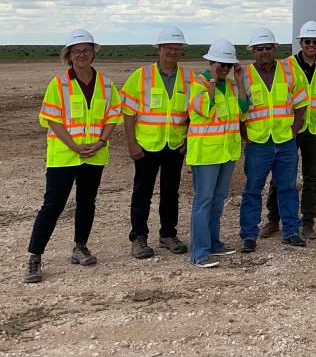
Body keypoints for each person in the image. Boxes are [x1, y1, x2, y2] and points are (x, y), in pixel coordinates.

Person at [25, 29, 122, 283]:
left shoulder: (107, 83)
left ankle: (80, 247)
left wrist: (101, 141)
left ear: (93, 53)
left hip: (95, 154)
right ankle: (35, 257)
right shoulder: (59, 84)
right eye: (76, 51)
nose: (82, 55)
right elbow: (51, 119)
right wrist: (74, 146)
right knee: (53, 205)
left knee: (87, 202)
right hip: (64, 155)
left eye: (86, 50)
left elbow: (113, 116)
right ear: (68, 55)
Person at [120, 24, 194, 259]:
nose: (172, 52)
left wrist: (189, 139)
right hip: (146, 146)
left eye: (177, 48)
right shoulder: (141, 76)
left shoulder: (189, 78)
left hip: (175, 145)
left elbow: (196, 112)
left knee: (171, 192)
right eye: (168, 48)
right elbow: (128, 112)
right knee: (142, 192)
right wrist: (132, 143)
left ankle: (168, 234)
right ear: (159, 49)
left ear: (182, 51)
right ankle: (139, 237)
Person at [238, 27, 307, 253]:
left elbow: (300, 103)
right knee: (252, 190)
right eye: (259, 49)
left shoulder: (288, 71)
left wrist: (294, 130)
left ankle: (291, 232)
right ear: (253, 51)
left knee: (287, 188)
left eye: (268, 48)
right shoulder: (244, 76)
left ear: (274, 49)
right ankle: (249, 235)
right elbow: (239, 107)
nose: (264, 52)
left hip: (285, 141)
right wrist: (245, 134)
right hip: (258, 144)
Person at [261, 19, 316, 241]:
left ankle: (307, 222)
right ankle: (273, 219)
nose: (311, 45)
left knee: (311, 177)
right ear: (300, 42)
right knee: (281, 176)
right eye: (307, 41)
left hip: (315, 128)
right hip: (289, 129)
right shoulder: (285, 66)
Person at [187, 38, 243, 268]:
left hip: (226, 152)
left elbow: (244, 108)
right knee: (203, 201)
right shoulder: (198, 84)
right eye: (220, 64)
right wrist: (210, 89)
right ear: (210, 62)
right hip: (206, 155)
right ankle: (199, 251)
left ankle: (213, 242)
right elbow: (204, 111)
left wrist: (239, 82)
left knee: (218, 200)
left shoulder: (229, 85)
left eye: (228, 66)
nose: (225, 69)